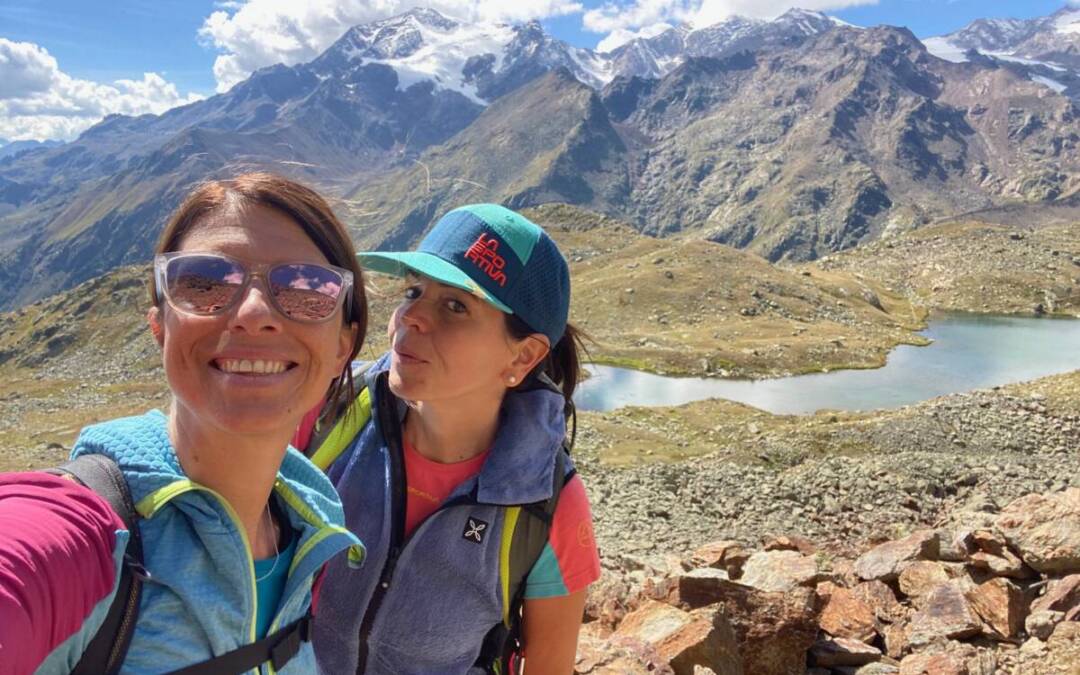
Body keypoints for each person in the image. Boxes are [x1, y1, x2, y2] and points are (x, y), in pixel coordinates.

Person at [0, 173, 367, 674]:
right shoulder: (83, 535)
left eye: (308, 289)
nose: (255, 313)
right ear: (160, 326)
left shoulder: (307, 527)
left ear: (343, 346)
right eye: (205, 283)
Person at [306, 204, 601, 674]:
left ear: (523, 356)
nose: (412, 317)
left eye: (455, 305)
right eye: (413, 291)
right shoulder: (330, 409)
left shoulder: (547, 502)